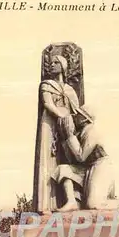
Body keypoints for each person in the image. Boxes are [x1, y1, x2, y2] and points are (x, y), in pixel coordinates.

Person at [32, 55, 81, 213]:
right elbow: (48, 104)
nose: (51, 65)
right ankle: (46, 205)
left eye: (55, 63)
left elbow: (77, 111)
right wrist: (62, 116)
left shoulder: (70, 90)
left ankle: (72, 200)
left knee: (69, 161)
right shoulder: (46, 85)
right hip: (50, 125)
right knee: (48, 161)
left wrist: (70, 123)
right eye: (50, 62)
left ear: (63, 66)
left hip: (66, 128)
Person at [51, 106, 119, 212]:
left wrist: (69, 136)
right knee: (63, 169)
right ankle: (71, 201)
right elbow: (72, 159)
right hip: (87, 167)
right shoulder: (80, 132)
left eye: (78, 114)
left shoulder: (91, 131)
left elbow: (81, 156)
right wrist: (65, 136)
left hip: (100, 166)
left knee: (93, 205)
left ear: (85, 118)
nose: (75, 116)